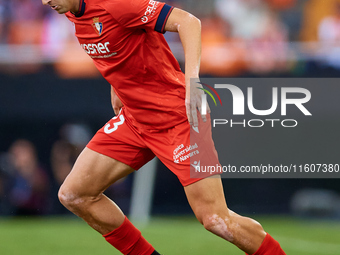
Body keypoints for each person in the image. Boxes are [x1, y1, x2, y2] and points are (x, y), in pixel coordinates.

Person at [41, 0, 286, 254]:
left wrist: (192, 81)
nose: (45, 1)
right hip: (135, 120)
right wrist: (116, 85)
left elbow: (189, 22)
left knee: (215, 220)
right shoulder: (72, 12)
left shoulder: (116, 4)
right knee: (74, 194)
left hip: (177, 118)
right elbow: (120, 42)